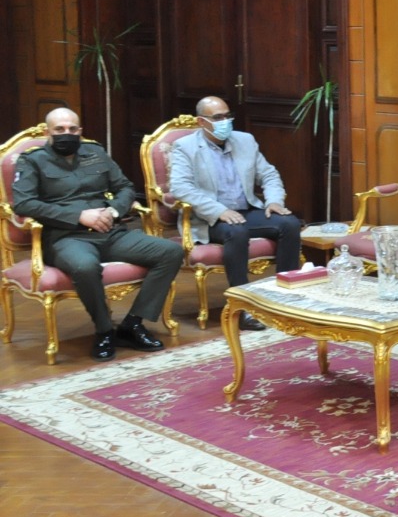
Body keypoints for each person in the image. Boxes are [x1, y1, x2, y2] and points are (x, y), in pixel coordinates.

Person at [11, 108, 185, 361]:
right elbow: (24, 204)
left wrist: (113, 211)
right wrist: (78, 216)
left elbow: (124, 187)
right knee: (84, 266)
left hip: (110, 231)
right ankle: (104, 330)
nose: (67, 133)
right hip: (66, 237)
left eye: (72, 129)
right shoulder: (31, 160)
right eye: (59, 129)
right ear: (48, 132)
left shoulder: (95, 153)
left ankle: (133, 324)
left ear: (80, 131)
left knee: (170, 251)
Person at [168, 96, 303, 332]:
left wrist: (273, 201)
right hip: (209, 218)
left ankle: (284, 298)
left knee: (289, 223)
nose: (225, 122)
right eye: (218, 117)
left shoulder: (245, 140)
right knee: (236, 232)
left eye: (228, 116)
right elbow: (181, 187)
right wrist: (219, 211)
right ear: (201, 122)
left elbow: (269, 174)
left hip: (246, 210)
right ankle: (242, 306)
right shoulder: (185, 147)